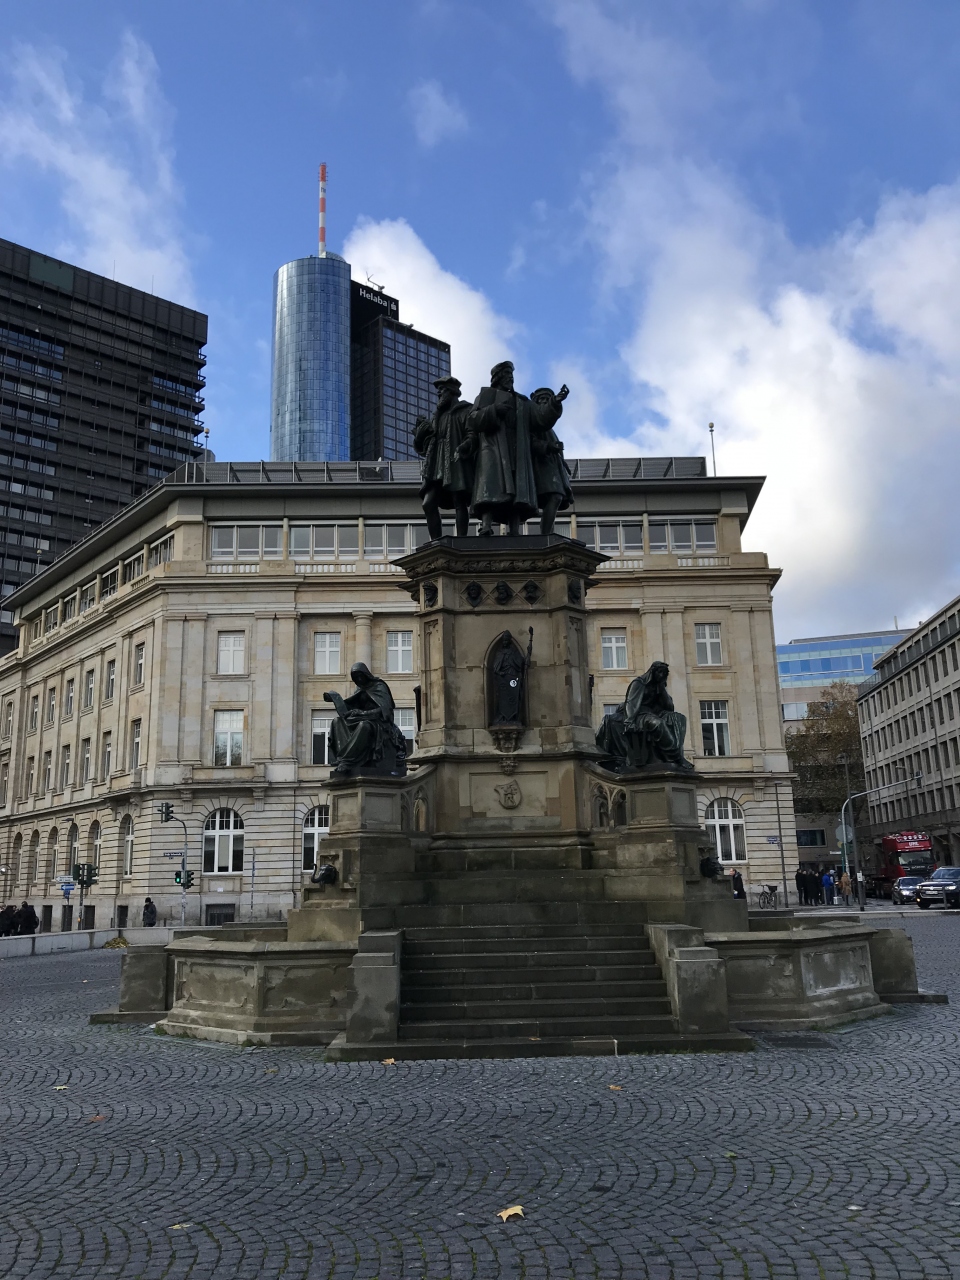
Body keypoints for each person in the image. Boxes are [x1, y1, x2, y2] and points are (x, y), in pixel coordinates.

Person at [462, 361, 566, 536]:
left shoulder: (522, 402)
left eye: (511, 375)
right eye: (506, 375)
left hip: (517, 450)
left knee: (517, 489)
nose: (510, 378)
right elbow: (472, 420)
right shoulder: (487, 395)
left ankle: (515, 530)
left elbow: (541, 418)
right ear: (497, 378)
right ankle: (486, 525)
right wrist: (494, 410)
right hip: (493, 449)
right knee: (491, 486)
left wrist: (554, 403)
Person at [595, 661, 694, 772]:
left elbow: (669, 707)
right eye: (659, 672)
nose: (661, 675)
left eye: (664, 673)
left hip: (653, 713)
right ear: (652, 672)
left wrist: (662, 689)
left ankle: (671, 755)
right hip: (638, 715)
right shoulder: (639, 683)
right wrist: (629, 722)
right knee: (657, 724)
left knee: (679, 718)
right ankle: (676, 756)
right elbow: (631, 703)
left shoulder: (658, 686)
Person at [414, 376, 475, 539]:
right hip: (436, 464)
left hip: (455, 462)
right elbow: (426, 444)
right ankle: (436, 542)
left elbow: (472, 434)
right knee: (428, 503)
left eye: (442, 390)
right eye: (438, 391)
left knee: (459, 501)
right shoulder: (437, 415)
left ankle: (461, 539)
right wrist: (419, 437)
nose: (439, 394)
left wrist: (464, 446)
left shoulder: (465, 410)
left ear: (452, 391)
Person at [323, 662, 407, 777]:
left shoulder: (379, 686)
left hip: (378, 722)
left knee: (364, 726)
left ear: (366, 674)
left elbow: (386, 710)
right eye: (356, 677)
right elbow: (353, 706)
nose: (359, 679)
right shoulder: (359, 689)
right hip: (361, 718)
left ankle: (347, 761)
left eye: (360, 676)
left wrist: (364, 713)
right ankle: (342, 758)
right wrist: (336, 699)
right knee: (337, 722)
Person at [528, 387, 573, 534]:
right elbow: (529, 441)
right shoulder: (532, 421)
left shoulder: (548, 426)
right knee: (554, 497)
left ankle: (547, 533)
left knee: (556, 498)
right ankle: (546, 534)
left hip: (550, 464)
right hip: (539, 465)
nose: (544, 403)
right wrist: (548, 446)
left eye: (547, 400)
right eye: (542, 400)